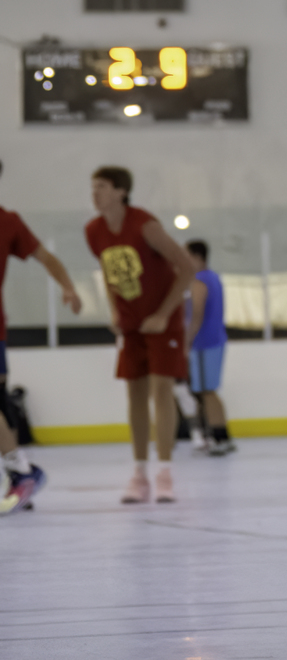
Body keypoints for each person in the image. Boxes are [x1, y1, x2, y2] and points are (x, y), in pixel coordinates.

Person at [84, 166, 196, 506]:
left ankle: (164, 472)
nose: (95, 193)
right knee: (134, 394)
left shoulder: (145, 225)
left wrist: (164, 314)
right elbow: (108, 269)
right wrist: (115, 310)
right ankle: (139, 472)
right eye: (93, 187)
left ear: (121, 191)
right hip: (132, 323)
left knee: (161, 391)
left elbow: (187, 267)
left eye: (101, 187)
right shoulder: (94, 230)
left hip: (162, 321)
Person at [1, 162, 83, 513]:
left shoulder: (8, 222)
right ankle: (19, 475)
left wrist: (68, 286)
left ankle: (21, 473)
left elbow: (46, 257)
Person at [185, 240, 234, 455]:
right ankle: (211, 433)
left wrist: (186, 342)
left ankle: (219, 436)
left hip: (204, 343)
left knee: (207, 392)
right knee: (205, 392)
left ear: (197, 257)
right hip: (215, 340)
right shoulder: (214, 278)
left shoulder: (199, 281)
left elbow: (196, 315)